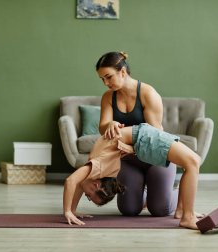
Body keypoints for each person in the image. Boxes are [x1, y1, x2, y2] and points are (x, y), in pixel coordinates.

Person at [63, 123, 201, 229]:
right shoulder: (98, 172)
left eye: (88, 196)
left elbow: (71, 181)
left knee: (193, 162)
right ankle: (182, 211)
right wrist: (73, 210)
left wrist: (67, 211)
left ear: (95, 185)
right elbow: (80, 185)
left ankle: (186, 215)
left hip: (143, 136)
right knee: (193, 163)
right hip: (140, 140)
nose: (85, 195)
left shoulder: (98, 166)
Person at [96, 51, 178, 217]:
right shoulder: (107, 98)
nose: (105, 83)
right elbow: (103, 127)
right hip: (129, 160)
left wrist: (126, 145)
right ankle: (146, 192)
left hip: (155, 157)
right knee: (129, 210)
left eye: (108, 77)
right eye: (102, 79)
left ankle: (175, 193)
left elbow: (154, 136)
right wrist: (109, 124)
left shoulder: (148, 94)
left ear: (123, 72)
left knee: (160, 210)